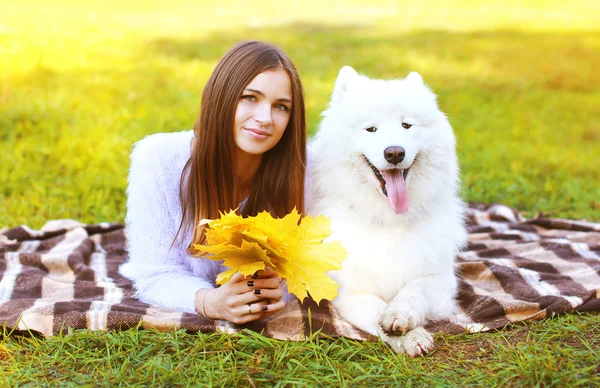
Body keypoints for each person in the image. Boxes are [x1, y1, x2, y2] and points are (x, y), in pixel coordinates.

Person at [120, 41, 306, 324]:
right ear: (222, 96)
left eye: (281, 106)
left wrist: (276, 289)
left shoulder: (306, 168)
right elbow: (155, 274)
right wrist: (209, 302)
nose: (265, 118)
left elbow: (313, 268)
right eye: (250, 97)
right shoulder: (157, 159)